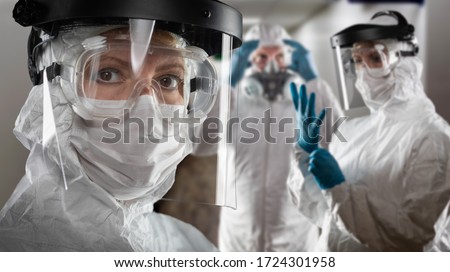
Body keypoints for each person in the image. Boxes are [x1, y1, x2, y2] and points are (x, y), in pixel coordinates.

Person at [0, 0, 242, 251]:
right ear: (52, 93)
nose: (146, 109)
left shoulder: (191, 248)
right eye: (108, 74)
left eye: (168, 80)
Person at [288, 10, 450, 251]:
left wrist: (338, 188)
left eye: (374, 58)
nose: (362, 71)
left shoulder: (432, 137)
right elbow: (323, 212)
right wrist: (305, 155)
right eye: (356, 60)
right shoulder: (353, 131)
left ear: (405, 61)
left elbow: (413, 235)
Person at [193, 24, 343, 251]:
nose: (272, 65)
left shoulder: (307, 99)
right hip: (238, 234)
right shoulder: (232, 100)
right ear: (247, 61)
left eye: (279, 56)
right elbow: (201, 144)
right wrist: (227, 84)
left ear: (291, 60)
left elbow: (340, 144)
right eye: (262, 56)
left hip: (296, 234)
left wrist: (313, 81)